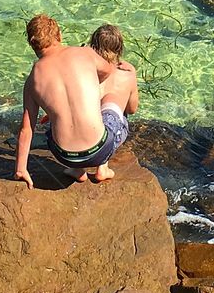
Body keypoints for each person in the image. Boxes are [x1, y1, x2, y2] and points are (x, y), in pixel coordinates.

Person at [14, 15, 118, 186]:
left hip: (66, 157)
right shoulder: (85, 53)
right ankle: (103, 168)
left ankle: (77, 170)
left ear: (32, 44)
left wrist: (21, 169)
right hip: (100, 150)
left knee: (51, 124)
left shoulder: (32, 80)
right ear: (59, 36)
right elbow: (108, 70)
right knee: (114, 109)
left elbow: (26, 129)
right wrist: (89, 88)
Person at [87, 24, 137, 181]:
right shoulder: (127, 75)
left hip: (86, 133)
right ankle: (103, 166)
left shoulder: (86, 72)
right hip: (110, 135)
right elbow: (132, 109)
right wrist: (133, 74)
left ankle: (79, 168)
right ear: (119, 49)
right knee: (115, 114)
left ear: (93, 46)